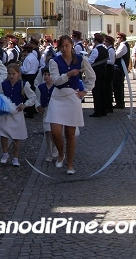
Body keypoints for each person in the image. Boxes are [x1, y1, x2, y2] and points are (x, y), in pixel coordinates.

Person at [47, 35, 95, 175]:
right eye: (62, 46)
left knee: (70, 133)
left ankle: (70, 164)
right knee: (55, 130)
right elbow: (55, 81)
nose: (64, 49)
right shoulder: (54, 61)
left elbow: (92, 76)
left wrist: (85, 91)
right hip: (58, 97)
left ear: (71, 46)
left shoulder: (81, 59)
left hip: (72, 97)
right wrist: (67, 75)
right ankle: (61, 153)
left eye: (67, 46)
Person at [0, 63, 35, 166]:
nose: (11, 76)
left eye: (13, 74)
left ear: (18, 74)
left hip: (17, 112)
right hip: (6, 112)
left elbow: (32, 96)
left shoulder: (23, 84)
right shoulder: (3, 84)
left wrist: (25, 105)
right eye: (9, 74)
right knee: (3, 133)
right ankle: (5, 153)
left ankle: (15, 157)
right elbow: (0, 96)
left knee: (17, 136)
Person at [35, 68, 58, 162]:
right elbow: (36, 98)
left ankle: (55, 149)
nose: (47, 76)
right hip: (46, 111)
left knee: (55, 132)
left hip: (56, 111)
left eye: (49, 74)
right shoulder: (40, 87)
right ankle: (49, 152)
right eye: (45, 74)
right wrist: (38, 106)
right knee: (47, 131)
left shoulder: (57, 87)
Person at [88, 33, 108, 117]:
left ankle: (97, 110)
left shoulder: (96, 50)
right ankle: (104, 109)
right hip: (104, 71)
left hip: (96, 72)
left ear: (96, 41)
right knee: (103, 91)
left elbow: (90, 62)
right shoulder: (105, 50)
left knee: (96, 91)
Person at [19, 43, 39, 118]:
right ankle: (33, 109)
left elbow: (25, 70)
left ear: (26, 51)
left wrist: (20, 67)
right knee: (32, 92)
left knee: (27, 93)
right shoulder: (34, 57)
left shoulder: (27, 58)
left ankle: (29, 111)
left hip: (28, 76)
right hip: (33, 75)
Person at [113, 33, 130, 109]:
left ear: (122, 38)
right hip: (119, 68)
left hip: (119, 68)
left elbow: (116, 55)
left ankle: (120, 102)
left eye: (118, 37)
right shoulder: (122, 45)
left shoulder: (123, 45)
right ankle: (119, 102)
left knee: (118, 85)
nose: (117, 39)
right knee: (117, 85)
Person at [103, 35, 116, 113]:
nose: (105, 43)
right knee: (107, 87)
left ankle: (109, 106)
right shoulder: (109, 49)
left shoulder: (111, 50)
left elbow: (112, 61)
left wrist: (104, 61)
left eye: (106, 42)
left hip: (110, 69)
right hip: (108, 69)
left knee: (108, 88)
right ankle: (108, 105)